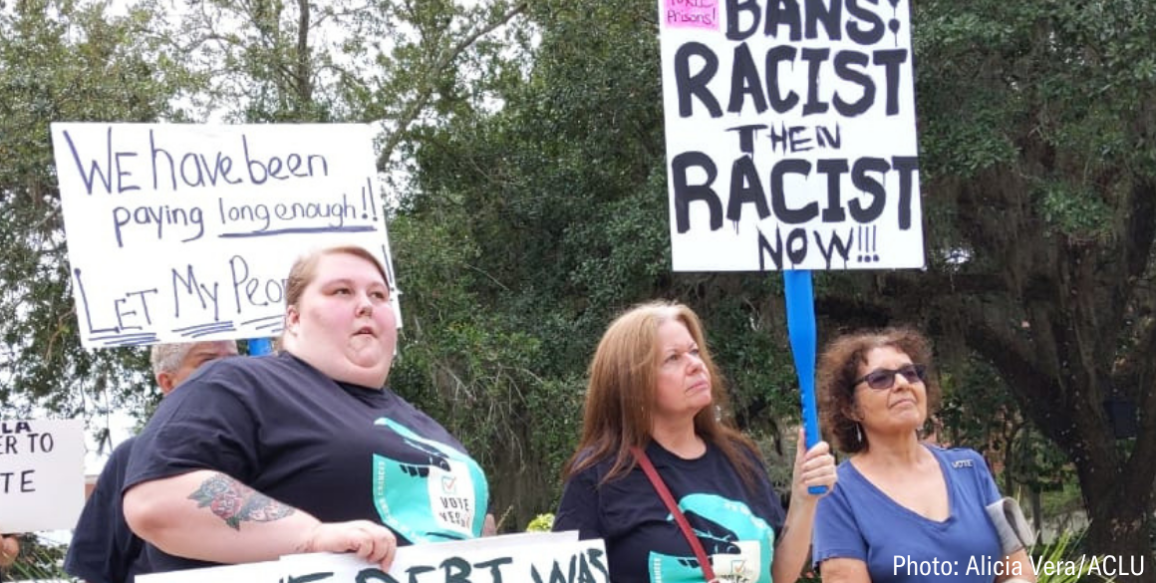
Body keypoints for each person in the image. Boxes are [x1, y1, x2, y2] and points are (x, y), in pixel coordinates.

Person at [123, 245, 491, 572]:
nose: (365, 303)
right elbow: (156, 502)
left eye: (379, 295)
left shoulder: (424, 425)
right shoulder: (237, 384)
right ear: (294, 318)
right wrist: (310, 537)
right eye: (342, 291)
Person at [554, 300, 837, 583]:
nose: (695, 365)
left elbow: (776, 576)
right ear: (632, 384)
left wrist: (803, 499)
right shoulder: (600, 473)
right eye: (672, 358)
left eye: (694, 351)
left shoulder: (740, 458)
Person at [812, 327, 1035, 583]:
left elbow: (1019, 571)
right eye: (881, 379)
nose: (902, 384)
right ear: (850, 408)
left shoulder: (971, 468)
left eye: (911, 373)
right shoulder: (837, 493)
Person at [64, 339, 239, 583]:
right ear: (168, 382)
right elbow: (97, 571)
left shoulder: (281, 451)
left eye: (235, 360)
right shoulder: (131, 459)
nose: (229, 371)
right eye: (208, 362)